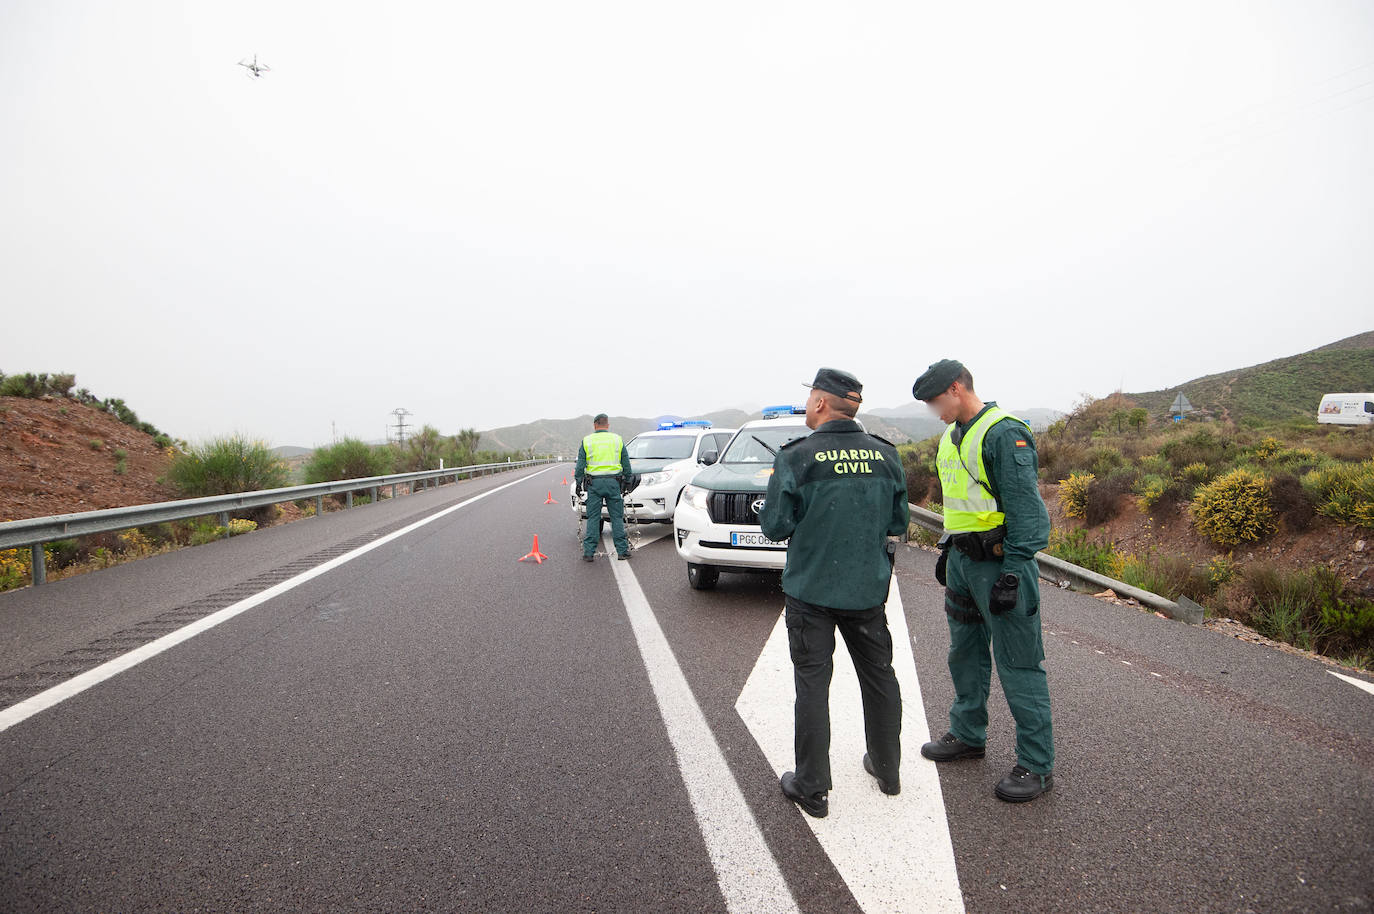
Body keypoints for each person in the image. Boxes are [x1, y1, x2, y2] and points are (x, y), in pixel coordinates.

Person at [759, 367, 909, 819]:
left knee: (812, 684)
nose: (807, 406)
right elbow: (898, 523)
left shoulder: (797, 456)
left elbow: (775, 526)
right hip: (867, 592)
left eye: (810, 399)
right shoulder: (886, 455)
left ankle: (812, 786)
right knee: (880, 677)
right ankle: (888, 770)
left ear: (821, 403)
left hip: (811, 592)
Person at [911, 359, 1055, 803]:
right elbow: (962, 505)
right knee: (965, 652)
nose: (935, 411)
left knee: (1018, 661)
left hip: (1001, 564)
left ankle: (1036, 764)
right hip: (963, 562)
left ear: (957, 388)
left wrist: (1012, 572)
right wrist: (950, 550)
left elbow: (1029, 517)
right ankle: (968, 734)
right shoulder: (952, 437)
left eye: (937, 401)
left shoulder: (1001, 433)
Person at [574, 413, 633, 562]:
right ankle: (622, 551)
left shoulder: (587, 441)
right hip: (614, 483)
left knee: (593, 517)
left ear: (595, 425)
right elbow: (625, 462)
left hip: (594, 484)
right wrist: (627, 480)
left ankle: (589, 552)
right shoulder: (617, 439)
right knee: (617, 517)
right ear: (607, 425)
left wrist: (578, 482)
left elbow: (580, 464)